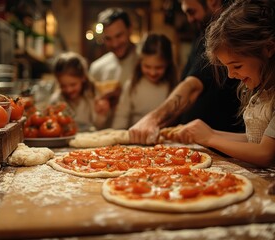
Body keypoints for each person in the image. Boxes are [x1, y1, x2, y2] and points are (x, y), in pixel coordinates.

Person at [169, 0, 275, 167]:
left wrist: (210, 138)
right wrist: (210, 133)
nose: (231, 75)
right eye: (227, 68)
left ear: (268, 49)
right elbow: (256, 138)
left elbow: (265, 153)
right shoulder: (261, 90)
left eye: (237, 66)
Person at [129, 0, 244, 145]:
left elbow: (192, 87)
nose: (189, 19)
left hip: (223, 144)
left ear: (213, 2)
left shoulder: (227, 38)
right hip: (197, 142)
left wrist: (153, 118)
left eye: (191, 11)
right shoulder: (201, 33)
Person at [112, 33, 178, 129]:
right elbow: (121, 118)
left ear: (168, 64)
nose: (152, 72)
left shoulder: (175, 86)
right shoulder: (132, 86)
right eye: (147, 66)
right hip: (135, 141)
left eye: (159, 67)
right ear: (140, 62)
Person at [89, 7, 139, 127]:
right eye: (108, 39)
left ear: (130, 29)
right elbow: (92, 115)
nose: (115, 44)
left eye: (119, 36)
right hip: (109, 138)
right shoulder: (97, 68)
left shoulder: (146, 62)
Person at [49, 52, 109, 130]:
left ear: (83, 78)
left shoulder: (93, 95)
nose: (68, 90)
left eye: (73, 84)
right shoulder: (56, 100)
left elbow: (98, 126)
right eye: (63, 86)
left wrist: (101, 115)